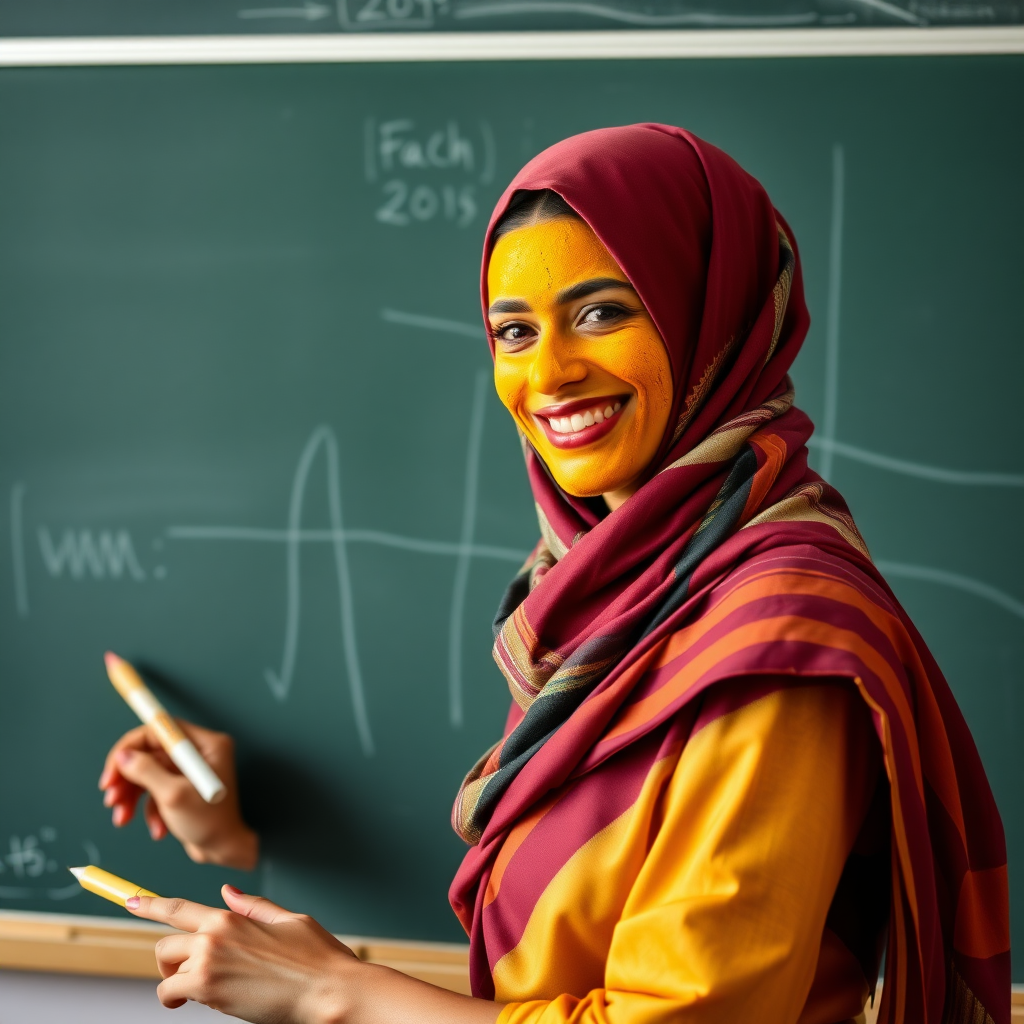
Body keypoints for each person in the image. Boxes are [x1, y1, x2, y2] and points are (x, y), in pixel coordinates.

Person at [97, 124, 1009, 1024]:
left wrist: (339, 993)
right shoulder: (603, 594)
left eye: (604, 312)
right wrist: (230, 831)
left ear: (715, 316)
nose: (552, 373)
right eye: (514, 331)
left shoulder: (775, 639)